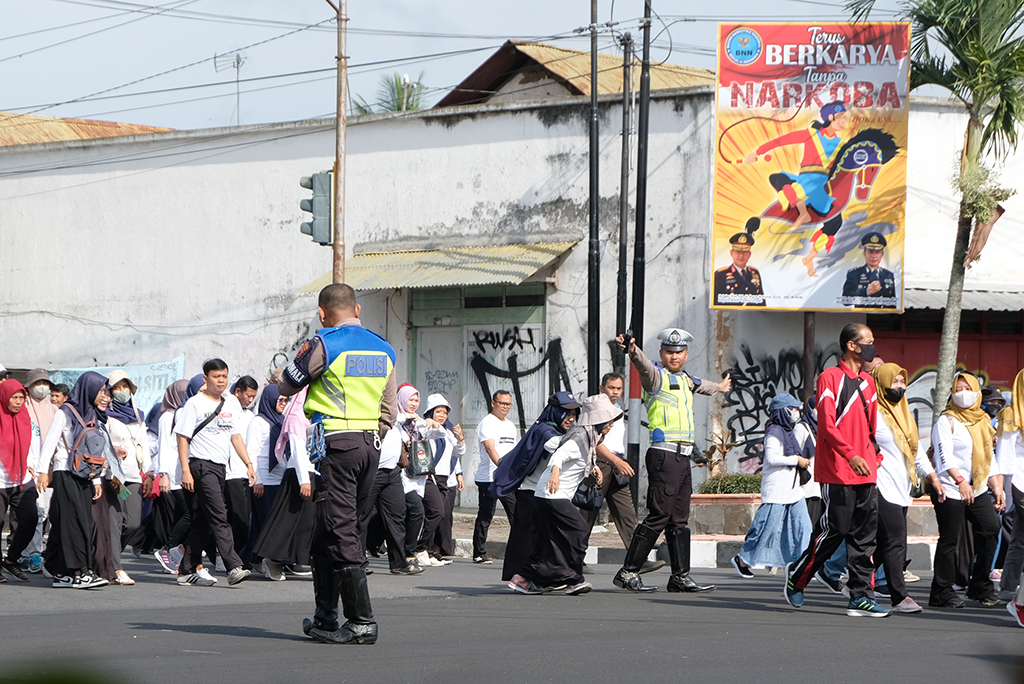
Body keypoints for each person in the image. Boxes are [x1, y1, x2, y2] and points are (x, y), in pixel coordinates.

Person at [279, 283, 397, 646]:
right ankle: (325, 619)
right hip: (370, 444)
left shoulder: (324, 344)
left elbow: (287, 385)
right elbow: (389, 409)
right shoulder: (385, 348)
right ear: (358, 310)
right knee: (335, 528)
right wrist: (369, 433)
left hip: (335, 445)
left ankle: (362, 621)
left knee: (341, 529)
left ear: (321, 312)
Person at [784, 323, 890, 617]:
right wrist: (851, 455)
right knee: (834, 531)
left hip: (866, 470)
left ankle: (860, 597)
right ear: (851, 346)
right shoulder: (829, 378)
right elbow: (828, 426)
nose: (872, 346)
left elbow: (871, 429)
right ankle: (799, 577)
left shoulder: (868, 383)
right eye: (867, 341)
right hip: (839, 470)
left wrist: (873, 457)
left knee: (864, 538)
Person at [613, 327, 730, 593]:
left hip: (682, 458)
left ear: (686, 354)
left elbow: (704, 385)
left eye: (678, 352)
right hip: (663, 455)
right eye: (668, 352)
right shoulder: (655, 377)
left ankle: (680, 577)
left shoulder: (687, 379)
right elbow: (641, 365)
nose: (673, 356)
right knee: (659, 515)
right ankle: (628, 572)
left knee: (678, 519)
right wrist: (632, 349)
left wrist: (721, 387)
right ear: (661, 353)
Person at [510, 394, 621, 596]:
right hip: (552, 494)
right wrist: (555, 473)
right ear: (598, 419)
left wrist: (593, 467)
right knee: (578, 531)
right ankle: (573, 580)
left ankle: (523, 579)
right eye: (609, 420)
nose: (611, 424)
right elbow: (560, 454)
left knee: (552, 541)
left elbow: (576, 457)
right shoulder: (580, 436)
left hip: (549, 495)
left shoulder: (586, 436)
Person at [923, 372, 1004, 608]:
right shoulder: (946, 421)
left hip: (976, 488)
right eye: (957, 390)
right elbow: (944, 457)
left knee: (990, 529)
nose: (963, 394)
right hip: (949, 489)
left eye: (967, 388)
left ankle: (980, 586)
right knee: (950, 539)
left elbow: (988, 458)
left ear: (977, 391)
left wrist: (997, 486)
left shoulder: (982, 421)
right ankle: (941, 592)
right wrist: (960, 481)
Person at [173, 358, 256, 587]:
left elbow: (236, 436)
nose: (221, 381)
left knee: (203, 521)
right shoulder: (195, 403)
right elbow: (182, 437)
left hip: (220, 467)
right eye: (216, 376)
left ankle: (186, 569)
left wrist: (248, 463)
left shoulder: (229, 403)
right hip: (200, 465)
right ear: (206, 378)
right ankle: (233, 566)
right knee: (220, 514)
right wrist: (186, 471)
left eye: (224, 377)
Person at [744, 100, 851, 264]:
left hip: (820, 188)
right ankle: (803, 211)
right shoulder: (811, 134)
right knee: (777, 178)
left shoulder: (842, 145)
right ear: (831, 117)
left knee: (835, 221)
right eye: (842, 116)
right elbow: (781, 140)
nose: (845, 120)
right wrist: (756, 153)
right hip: (802, 181)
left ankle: (811, 256)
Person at [491, 392, 580, 583]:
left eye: (574, 414)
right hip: (529, 492)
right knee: (530, 538)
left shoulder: (559, 430)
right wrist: (584, 438)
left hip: (542, 493)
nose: (571, 418)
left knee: (540, 536)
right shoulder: (545, 430)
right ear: (555, 411)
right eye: (567, 413)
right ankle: (522, 578)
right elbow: (554, 446)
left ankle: (535, 578)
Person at [581, 374, 664, 573]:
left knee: (627, 514)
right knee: (588, 515)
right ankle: (573, 558)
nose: (615, 392)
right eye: (611, 388)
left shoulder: (617, 409)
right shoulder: (595, 409)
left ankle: (638, 559)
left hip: (617, 465)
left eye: (619, 388)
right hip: (599, 465)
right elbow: (593, 441)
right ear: (602, 388)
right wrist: (615, 461)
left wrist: (619, 461)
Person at [36, 371, 111, 589]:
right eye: (101, 390)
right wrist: (43, 471)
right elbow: (50, 442)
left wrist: (96, 480)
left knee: (64, 523)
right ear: (88, 389)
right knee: (76, 523)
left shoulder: (92, 414)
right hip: (65, 472)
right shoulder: (66, 412)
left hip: (84, 475)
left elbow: (94, 450)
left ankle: (61, 572)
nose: (103, 395)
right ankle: (81, 573)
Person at [731, 394, 812, 578]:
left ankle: (802, 564)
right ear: (783, 410)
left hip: (794, 490)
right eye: (792, 408)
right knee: (765, 528)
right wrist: (796, 460)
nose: (796, 412)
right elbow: (772, 459)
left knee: (803, 527)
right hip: (776, 490)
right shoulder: (774, 432)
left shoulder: (789, 432)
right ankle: (743, 559)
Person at [870, 363, 924, 613]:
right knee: (895, 541)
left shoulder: (903, 412)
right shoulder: (872, 411)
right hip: (881, 484)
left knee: (882, 543)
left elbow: (916, 449)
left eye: (903, 382)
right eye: (895, 382)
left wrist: (931, 476)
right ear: (881, 383)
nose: (900, 387)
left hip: (901, 486)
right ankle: (899, 597)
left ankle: (853, 582)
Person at [253, 387, 316, 575]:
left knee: (306, 522)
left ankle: (296, 560)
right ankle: (272, 558)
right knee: (285, 522)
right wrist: (304, 479)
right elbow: (297, 450)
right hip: (299, 474)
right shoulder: (296, 417)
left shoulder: (313, 417)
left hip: (310, 473)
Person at [104, 369, 150, 586]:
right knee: (114, 522)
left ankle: (109, 557)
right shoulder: (106, 415)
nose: (122, 391)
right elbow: (102, 442)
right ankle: (116, 566)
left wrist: (148, 472)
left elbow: (144, 444)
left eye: (125, 387)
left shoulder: (138, 414)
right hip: (115, 476)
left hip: (134, 476)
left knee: (132, 523)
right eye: (117, 387)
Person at [394, 385, 448, 569]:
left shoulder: (418, 423)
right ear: (401, 399)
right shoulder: (397, 419)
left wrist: (432, 423)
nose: (413, 404)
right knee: (416, 511)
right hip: (400, 476)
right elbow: (395, 420)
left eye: (416, 400)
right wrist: (413, 419)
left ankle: (406, 551)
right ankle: (409, 552)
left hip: (418, 477)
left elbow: (441, 433)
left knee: (411, 514)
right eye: (410, 399)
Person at [246, 383, 288, 579]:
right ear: (270, 399)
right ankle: (271, 561)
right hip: (265, 479)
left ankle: (253, 558)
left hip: (281, 479)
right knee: (269, 524)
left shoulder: (282, 421)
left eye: (285, 400)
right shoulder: (259, 422)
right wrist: (258, 480)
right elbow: (252, 453)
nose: (283, 403)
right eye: (280, 400)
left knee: (265, 524)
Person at [472, 390, 520, 564]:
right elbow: (490, 448)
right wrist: (502, 467)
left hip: (506, 478)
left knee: (516, 514)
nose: (505, 407)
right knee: (486, 515)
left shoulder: (510, 425)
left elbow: (514, 451)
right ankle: (479, 553)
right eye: (502, 403)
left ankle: (518, 551)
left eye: (508, 404)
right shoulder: (487, 423)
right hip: (489, 478)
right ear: (493, 403)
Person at [0, 380, 40, 582]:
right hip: (0, 479)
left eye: (21, 398)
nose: (17, 402)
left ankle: (11, 559)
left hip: (22, 477)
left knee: (30, 518)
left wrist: (32, 464)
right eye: (14, 398)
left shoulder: (25, 416)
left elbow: (32, 443)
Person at [417, 393, 465, 564]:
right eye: (438, 412)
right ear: (430, 412)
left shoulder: (446, 432)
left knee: (440, 514)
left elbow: (458, 453)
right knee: (435, 512)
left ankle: (428, 551)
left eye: (445, 412)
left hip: (445, 477)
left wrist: (460, 438)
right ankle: (421, 548)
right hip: (431, 477)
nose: (443, 415)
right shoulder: (426, 430)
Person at [20, 368, 56, 575]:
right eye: (37, 383)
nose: (42, 388)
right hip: (31, 467)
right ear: (30, 386)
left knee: (49, 510)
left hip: (51, 466)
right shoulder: (23, 408)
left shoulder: (53, 410)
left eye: (45, 383)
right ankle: (32, 552)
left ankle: (34, 551)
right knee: (37, 510)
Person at [221, 375, 258, 571]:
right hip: (228, 472)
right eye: (248, 395)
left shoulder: (250, 416)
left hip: (243, 472)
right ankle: (227, 557)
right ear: (238, 392)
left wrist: (251, 466)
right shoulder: (226, 408)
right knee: (234, 518)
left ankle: (233, 557)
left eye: (254, 397)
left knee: (242, 519)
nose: (250, 400)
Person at [152, 379, 189, 574]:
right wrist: (163, 474)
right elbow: (163, 446)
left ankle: (175, 557)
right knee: (189, 514)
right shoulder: (168, 416)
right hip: (174, 473)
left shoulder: (186, 414)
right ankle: (167, 549)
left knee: (181, 516)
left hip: (184, 470)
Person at [998, 369, 1024, 604]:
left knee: (1019, 538)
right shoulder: (1011, 414)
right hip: (1021, 483)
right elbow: (1004, 457)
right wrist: (1005, 492)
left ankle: (1007, 587)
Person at [841, 233, 896, 308]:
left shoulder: (888, 275)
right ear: (864, 254)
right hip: (861, 316)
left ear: (882, 254)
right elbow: (845, 300)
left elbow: (892, 302)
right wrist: (866, 291)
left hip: (882, 317)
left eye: (877, 252)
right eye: (870, 252)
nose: (874, 256)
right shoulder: (854, 274)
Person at [713, 229, 766, 307]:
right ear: (731, 253)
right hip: (730, 317)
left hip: (753, 316)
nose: (741, 256)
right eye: (738, 252)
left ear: (749, 254)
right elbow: (715, 302)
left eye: (744, 252)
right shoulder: (721, 274)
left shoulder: (754, 273)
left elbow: (761, 301)